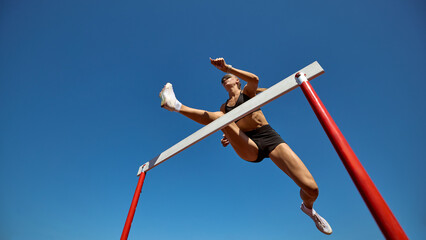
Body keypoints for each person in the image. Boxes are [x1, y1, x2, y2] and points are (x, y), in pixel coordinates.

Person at [159, 57, 332, 235]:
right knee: (219, 118)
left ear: (237, 80)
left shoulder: (249, 93)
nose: (224, 79)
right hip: (249, 145)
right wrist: (228, 135)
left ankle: (308, 209)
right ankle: (175, 105)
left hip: (268, 137)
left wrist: (227, 68)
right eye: (223, 79)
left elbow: (254, 80)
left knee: (311, 189)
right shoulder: (224, 108)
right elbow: (220, 123)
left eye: (228, 77)